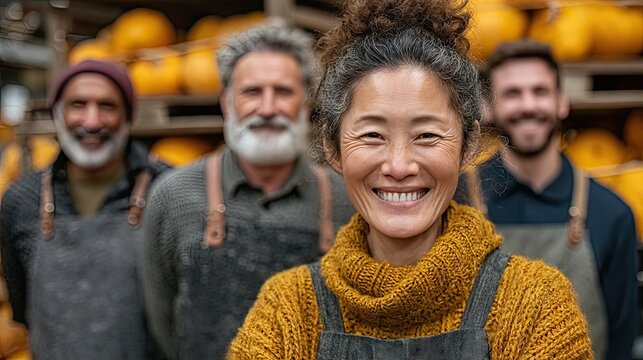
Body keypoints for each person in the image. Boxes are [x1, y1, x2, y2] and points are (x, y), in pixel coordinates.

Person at [228, 0, 592, 359]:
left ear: (468, 147)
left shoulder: (535, 305)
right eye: (372, 135)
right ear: (332, 148)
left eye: (427, 135)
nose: (399, 166)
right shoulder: (286, 310)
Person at [142, 23, 354, 359]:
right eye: (252, 92)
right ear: (226, 102)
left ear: (305, 103)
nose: (268, 108)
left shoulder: (345, 200)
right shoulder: (173, 196)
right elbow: (163, 323)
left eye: (283, 92)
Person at [459, 40, 639, 359]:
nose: (528, 105)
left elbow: (620, 343)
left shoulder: (612, 214)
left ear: (561, 103)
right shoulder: (456, 200)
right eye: (513, 93)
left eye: (540, 91)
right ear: (487, 107)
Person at [0, 60, 166, 359]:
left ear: (129, 116)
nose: (92, 121)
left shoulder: (170, 191)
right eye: (78, 104)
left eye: (107, 106)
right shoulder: (22, 200)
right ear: (58, 114)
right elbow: (23, 307)